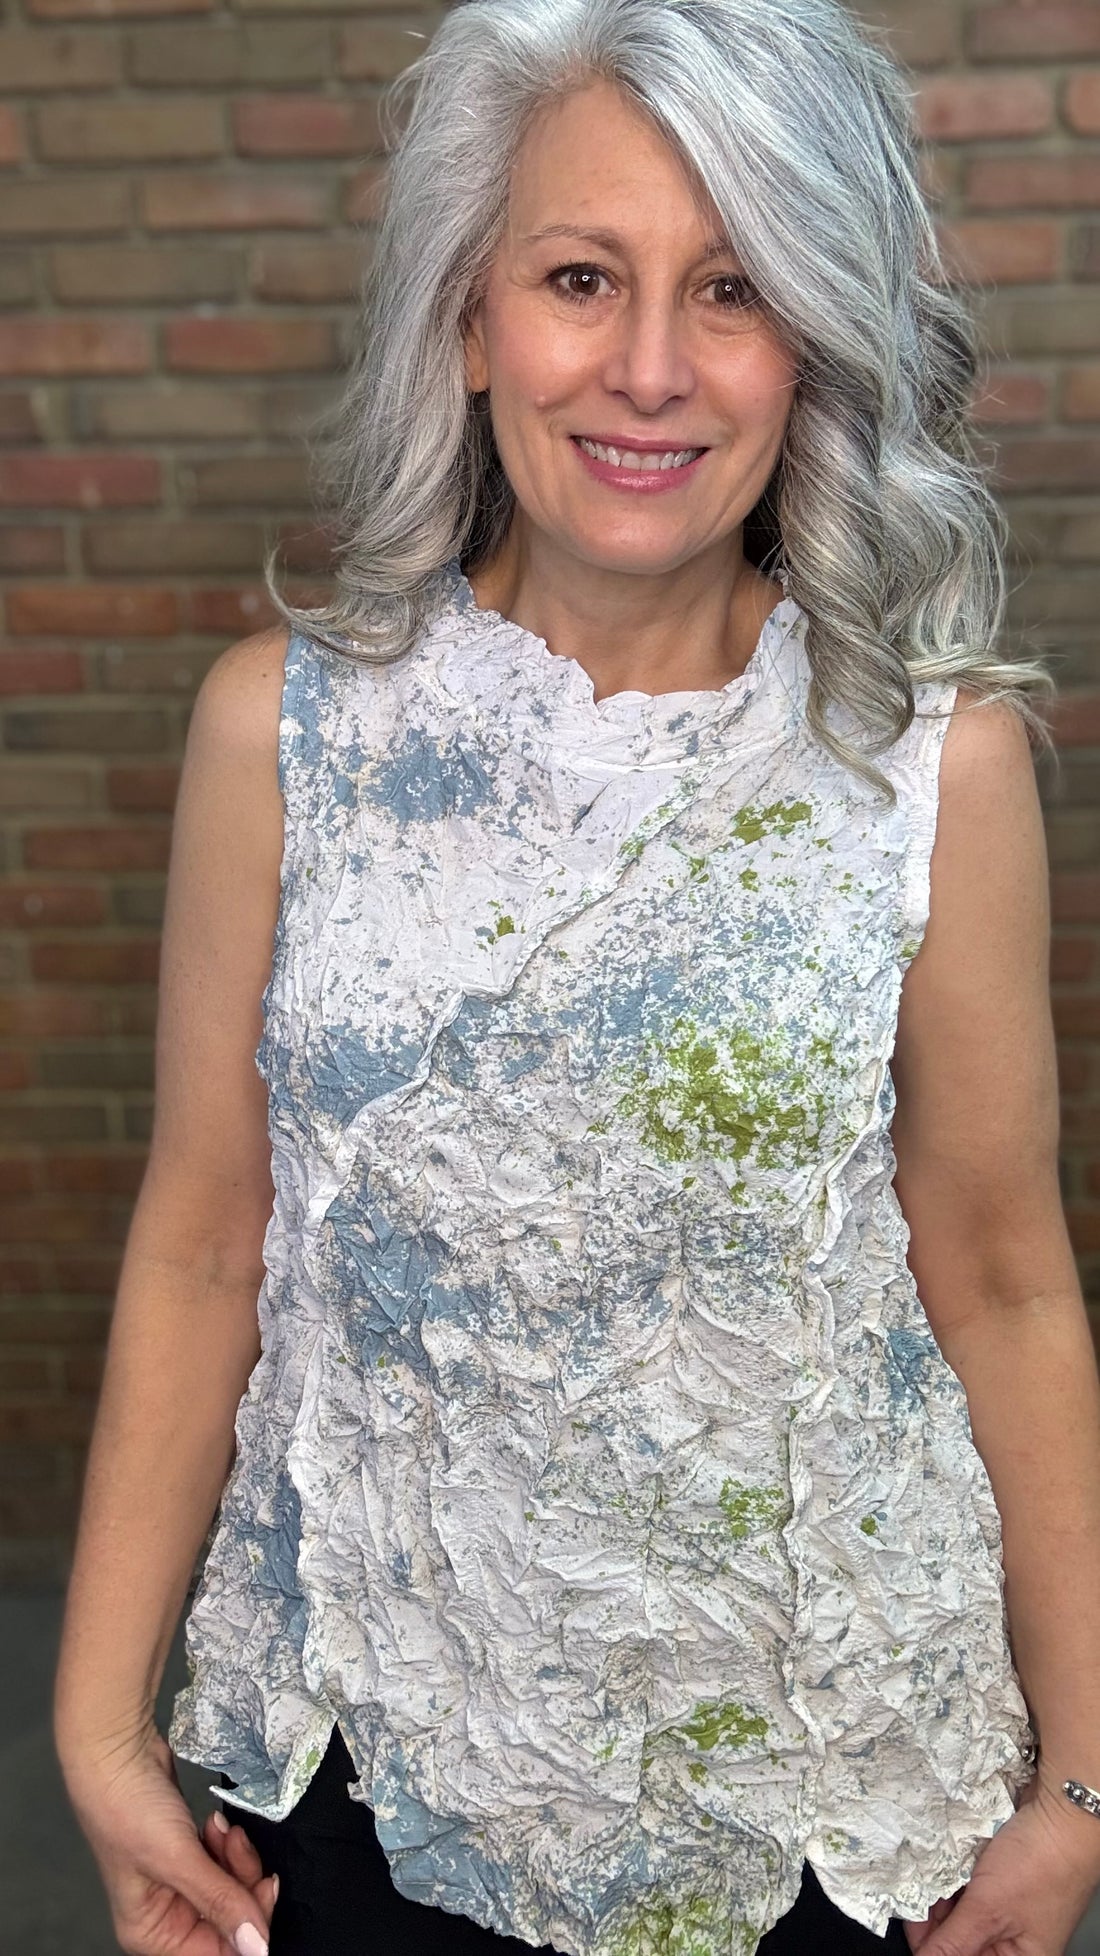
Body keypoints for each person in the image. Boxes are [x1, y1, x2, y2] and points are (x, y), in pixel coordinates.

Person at [51, 1, 1100, 1953]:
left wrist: (1087, 1781)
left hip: (814, 1807)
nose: (649, 370)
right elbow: (205, 1236)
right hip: (368, 1772)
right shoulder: (281, 734)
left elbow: (1005, 1276)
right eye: (579, 277)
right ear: (469, 320)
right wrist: (99, 1723)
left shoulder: (926, 770)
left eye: (733, 288)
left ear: (815, 343)